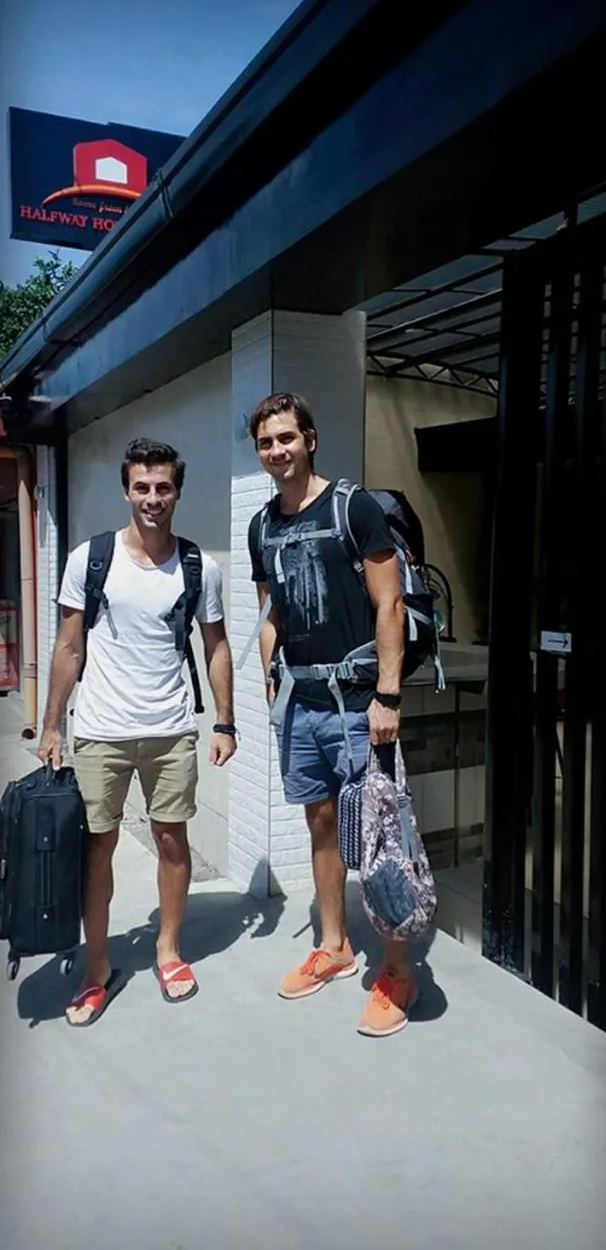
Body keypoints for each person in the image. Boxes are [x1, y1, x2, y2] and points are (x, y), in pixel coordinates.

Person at [38, 437, 237, 1026]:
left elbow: (217, 646)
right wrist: (52, 724)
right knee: (98, 848)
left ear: (178, 491)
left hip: (171, 728)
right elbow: (69, 647)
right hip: (100, 729)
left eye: (164, 487)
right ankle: (97, 967)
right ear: (127, 490)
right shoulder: (90, 558)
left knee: (172, 840)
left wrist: (224, 721)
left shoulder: (200, 566)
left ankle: (168, 951)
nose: (153, 498)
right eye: (143, 487)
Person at [247, 392, 417, 1038]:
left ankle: (398, 969)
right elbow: (270, 611)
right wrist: (272, 679)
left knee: (379, 836)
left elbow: (389, 602)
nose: (276, 451)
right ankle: (337, 945)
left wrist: (389, 695)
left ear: (310, 438)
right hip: (302, 705)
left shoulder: (354, 508)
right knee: (322, 826)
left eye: (286, 438)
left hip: (359, 704)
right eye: (266, 442)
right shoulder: (263, 525)